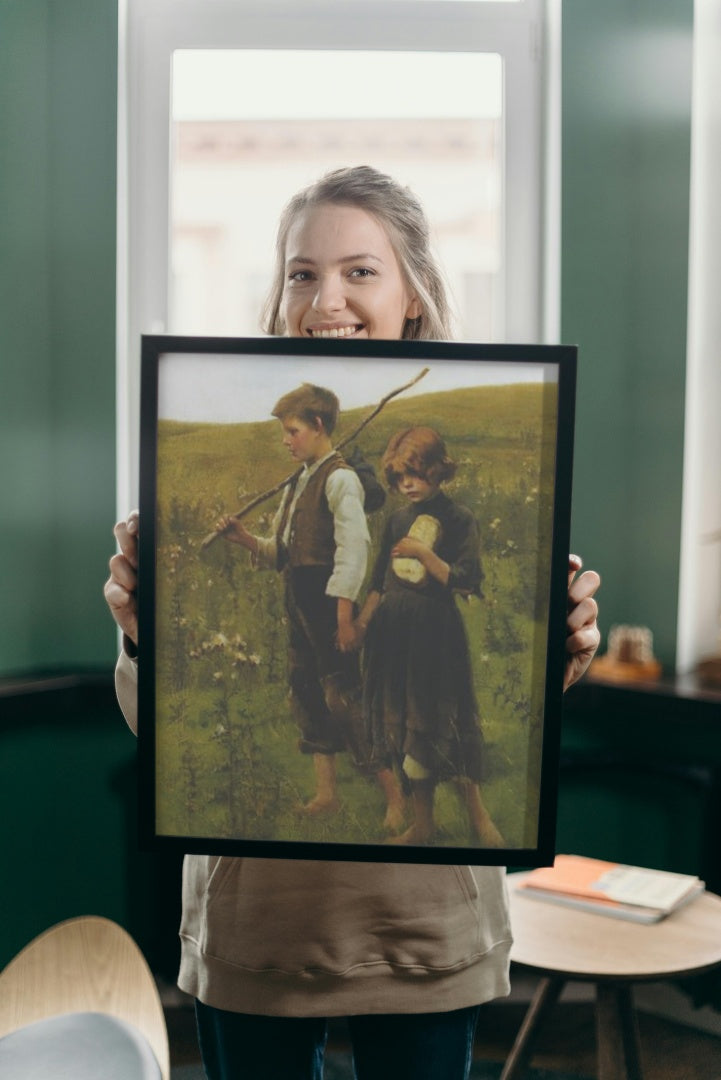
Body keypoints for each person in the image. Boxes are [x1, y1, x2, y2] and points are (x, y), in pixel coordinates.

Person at [105, 165, 601, 1080]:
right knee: (319, 698)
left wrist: (558, 656)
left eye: (359, 271)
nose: (324, 297)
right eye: (301, 272)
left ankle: (399, 801)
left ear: (413, 292)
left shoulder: (382, 478)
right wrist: (145, 636)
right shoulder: (279, 460)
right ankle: (344, 785)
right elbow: (153, 727)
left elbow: (365, 566)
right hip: (259, 925)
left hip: (421, 926)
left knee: (379, 703)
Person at [215, 381, 404, 827]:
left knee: (344, 697)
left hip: (327, 602)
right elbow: (282, 552)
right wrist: (243, 539)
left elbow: (354, 549)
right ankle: (327, 795)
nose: (286, 440)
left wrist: (344, 615)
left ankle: (396, 798)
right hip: (298, 601)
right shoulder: (297, 483)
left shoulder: (341, 479)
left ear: (319, 426)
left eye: (293, 430)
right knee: (306, 693)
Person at [356, 426, 502, 848]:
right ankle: (422, 826)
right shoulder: (398, 519)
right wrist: (363, 624)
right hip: (393, 636)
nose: (408, 485)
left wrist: (423, 554)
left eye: (416, 475)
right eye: (400, 478)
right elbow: (378, 580)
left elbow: (465, 581)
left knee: (443, 723)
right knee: (407, 728)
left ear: (439, 470)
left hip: (435, 638)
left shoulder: (459, 519)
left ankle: (478, 816)